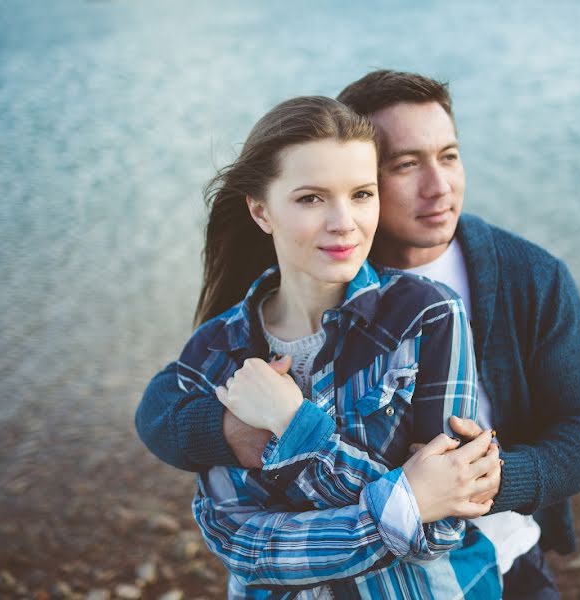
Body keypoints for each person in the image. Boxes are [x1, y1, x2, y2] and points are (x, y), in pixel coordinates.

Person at [136, 71, 580, 598]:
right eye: (406, 165)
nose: (439, 186)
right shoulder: (312, 265)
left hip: (490, 557)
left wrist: (479, 481)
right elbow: (163, 409)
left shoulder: (521, 278)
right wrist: (230, 428)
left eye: (449, 156)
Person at [170, 95, 503, 598]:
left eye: (362, 194)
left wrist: (292, 424)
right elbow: (245, 548)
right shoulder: (214, 353)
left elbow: (441, 530)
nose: (343, 221)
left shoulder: (429, 316)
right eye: (311, 198)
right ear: (261, 211)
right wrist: (406, 501)